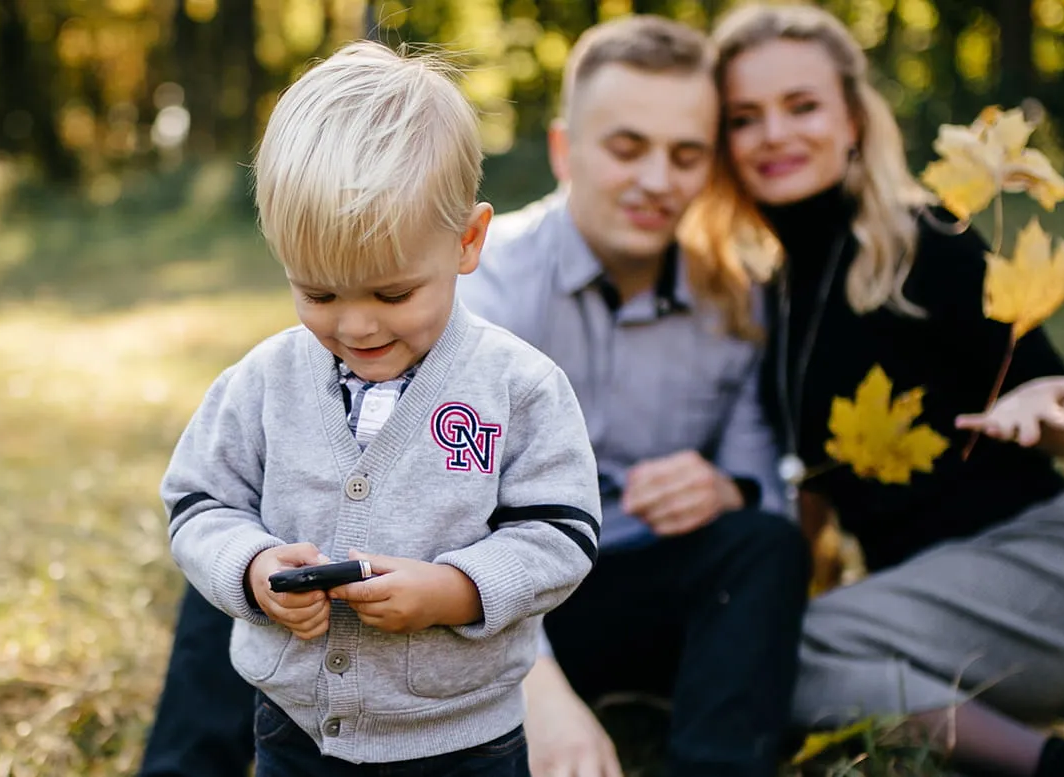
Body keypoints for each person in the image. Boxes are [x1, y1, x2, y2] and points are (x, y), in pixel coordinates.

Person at [138, 15, 811, 777]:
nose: (656, 178)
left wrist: (729, 486)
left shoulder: (740, 300)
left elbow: (761, 499)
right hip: (429, 600)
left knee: (766, 548)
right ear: (566, 149)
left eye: (686, 155)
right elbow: (217, 496)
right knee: (257, 535)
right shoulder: (468, 282)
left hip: (598, 573)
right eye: (627, 147)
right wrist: (541, 693)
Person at [678, 4, 1064, 776]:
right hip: (938, 594)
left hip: (1053, 569)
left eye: (802, 106)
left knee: (781, 657)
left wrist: (1040, 409)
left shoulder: (923, 242)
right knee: (760, 642)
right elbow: (815, 498)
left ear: (854, 119)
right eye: (745, 117)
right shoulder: (778, 288)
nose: (775, 134)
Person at [160, 38, 603, 775]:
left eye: (393, 293)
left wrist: (456, 590)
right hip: (298, 734)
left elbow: (561, 533)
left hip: (464, 738)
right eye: (319, 293)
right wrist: (252, 567)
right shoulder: (263, 380)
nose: (358, 325)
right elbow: (198, 502)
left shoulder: (518, 386)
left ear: (468, 240)